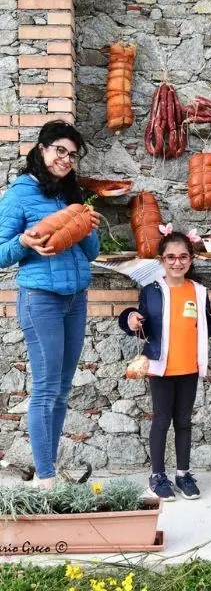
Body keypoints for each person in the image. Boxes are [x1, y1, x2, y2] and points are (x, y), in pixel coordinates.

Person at [0, 121, 102, 489]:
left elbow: (91, 253)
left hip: (75, 299)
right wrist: (24, 243)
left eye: (73, 155)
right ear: (42, 149)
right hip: (40, 299)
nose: (66, 159)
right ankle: (45, 478)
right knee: (45, 388)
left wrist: (89, 226)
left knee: (61, 388)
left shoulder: (70, 194)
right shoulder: (19, 194)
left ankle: (50, 468)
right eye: (60, 150)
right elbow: (0, 253)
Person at [118, 230, 211, 501]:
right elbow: (139, 319)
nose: (177, 262)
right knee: (161, 420)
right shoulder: (151, 291)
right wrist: (131, 319)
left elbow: (207, 322)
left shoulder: (197, 291)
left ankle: (183, 474)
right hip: (161, 366)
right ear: (161, 260)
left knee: (183, 421)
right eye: (170, 257)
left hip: (189, 366)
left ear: (191, 259)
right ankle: (157, 477)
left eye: (183, 257)